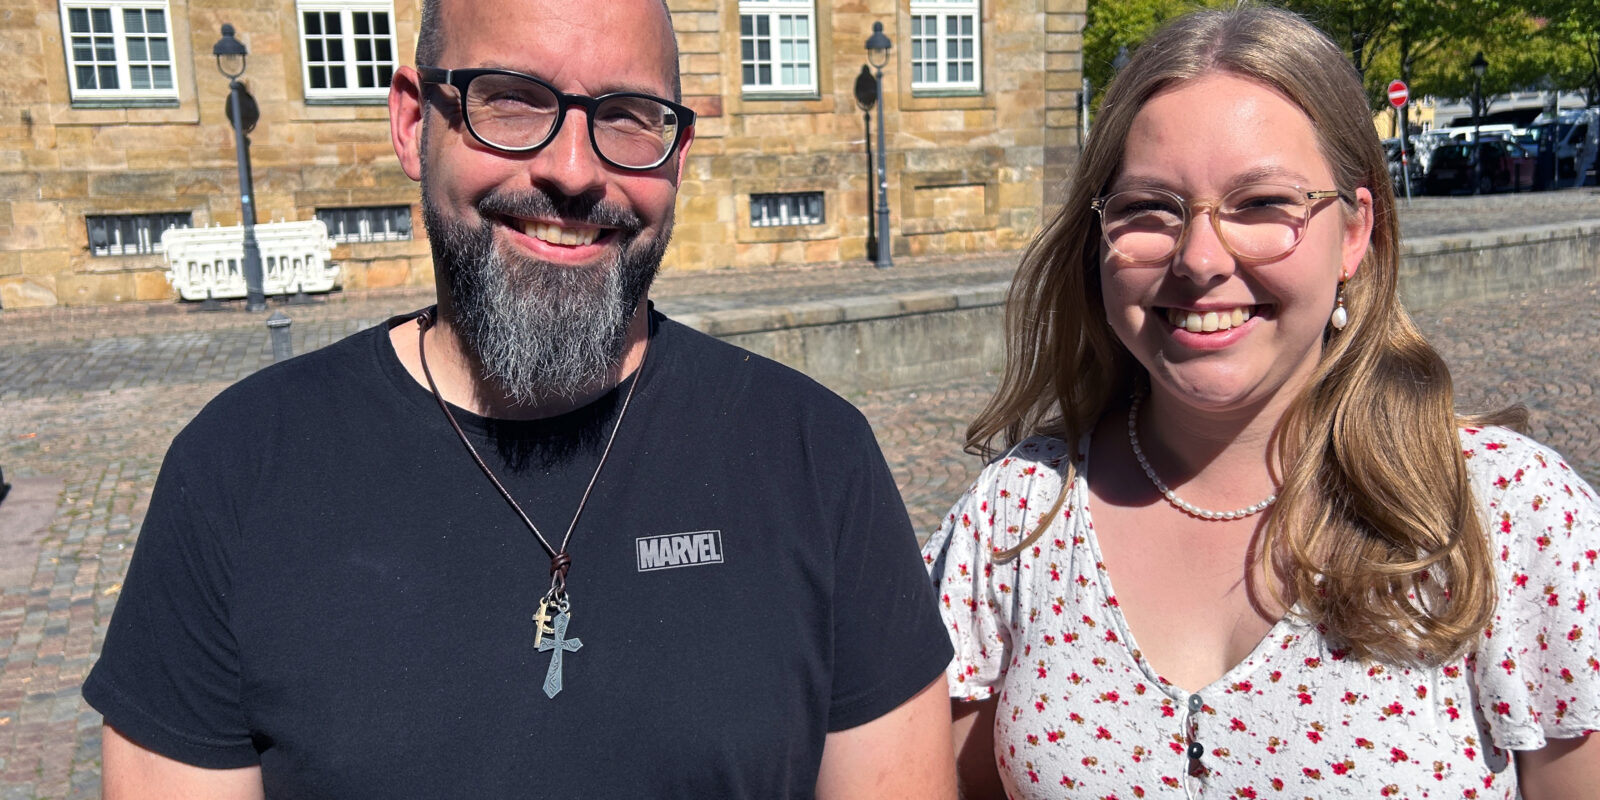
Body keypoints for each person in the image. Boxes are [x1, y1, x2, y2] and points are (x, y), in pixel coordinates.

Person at [83, 0, 957, 796]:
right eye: (512, 99)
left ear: (677, 155)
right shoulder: (238, 470)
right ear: (414, 121)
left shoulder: (816, 457)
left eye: (626, 116)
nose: (573, 172)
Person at [924, 7, 1599, 799]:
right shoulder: (1013, 521)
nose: (1201, 258)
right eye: (1151, 207)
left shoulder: (1509, 515)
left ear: (1355, 233)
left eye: (1262, 204)